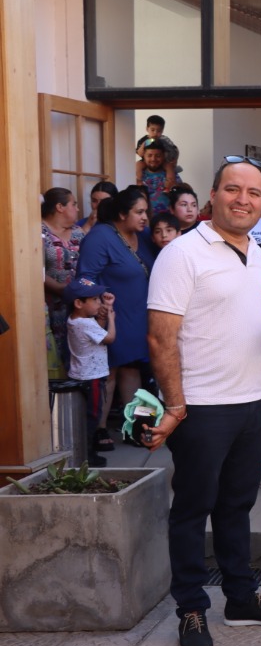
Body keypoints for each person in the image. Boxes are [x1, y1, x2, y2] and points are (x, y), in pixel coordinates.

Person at [145, 156, 261, 646]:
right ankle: (190, 607)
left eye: (254, 192)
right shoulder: (183, 254)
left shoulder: (254, 253)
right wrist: (176, 405)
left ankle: (240, 598)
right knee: (191, 510)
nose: (243, 199)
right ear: (213, 195)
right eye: (233, 189)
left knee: (237, 506)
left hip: (251, 403)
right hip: (202, 408)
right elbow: (161, 338)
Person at [76, 185, 157, 452]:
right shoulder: (101, 237)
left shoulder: (142, 236)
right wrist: (97, 306)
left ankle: (133, 428)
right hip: (112, 314)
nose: (145, 217)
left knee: (132, 368)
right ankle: (98, 430)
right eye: (139, 212)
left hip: (139, 314)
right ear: (122, 214)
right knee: (109, 371)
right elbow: (85, 276)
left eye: (146, 212)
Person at [64, 278, 116, 468]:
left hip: (81, 374)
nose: (99, 303)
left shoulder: (75, 320)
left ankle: (85, 452)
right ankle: (88, 455)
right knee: (93, 416)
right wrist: (111, 317)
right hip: (92, 377)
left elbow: (97, 332)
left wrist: (104, 309)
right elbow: (108, 337)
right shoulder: (85, 324)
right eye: (94, 300)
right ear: (79, 303)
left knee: (86, 415)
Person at [41, 187, 85, 378]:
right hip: (51, 304)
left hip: (78, 304)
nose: (77, 208)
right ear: (60, 207)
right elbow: (36, 270)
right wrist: (60, 288)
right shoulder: (39, 231)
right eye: (73, 204)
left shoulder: (78, 233)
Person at [134, 114, 179, 190]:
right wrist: (144, 144)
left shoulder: (165, 140)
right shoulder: (143, 140)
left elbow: (175, 149)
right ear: (147, 129)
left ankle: (169, 185)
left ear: (162, 131)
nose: (155, 133)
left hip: (163, 161)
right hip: (145, 161)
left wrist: (175, 161)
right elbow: (140, 153)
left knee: (169, 167)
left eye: (159, 131)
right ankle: (138, 182)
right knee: (138, 165)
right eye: (152, 130)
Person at [137, 139, 172, 215]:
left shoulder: (171, 174)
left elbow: (179, 196)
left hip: (167, 220)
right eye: (149, 155)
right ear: (144, 156)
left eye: (158, 156)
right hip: (144, 221)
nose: (153, 159)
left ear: (163, 156)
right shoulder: (137, 174)